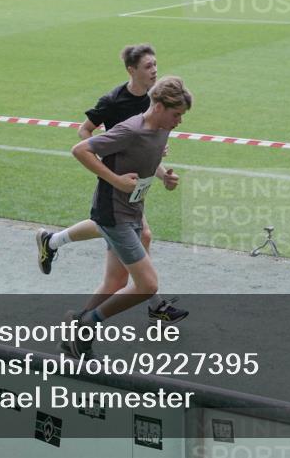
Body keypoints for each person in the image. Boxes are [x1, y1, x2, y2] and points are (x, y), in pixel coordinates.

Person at [38, 76, 193, 357]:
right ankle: (86, 324)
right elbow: (80, 149)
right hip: (114, 214)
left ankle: (73, 335)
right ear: (158, 106)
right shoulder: (130, 130)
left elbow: (150, 155)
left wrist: (164, 176)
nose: (179, 121)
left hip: (134, 210)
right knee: (147, 285)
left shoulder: (161, 128)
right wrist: (116, 181)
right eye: (176, 114)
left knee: (116, 283)